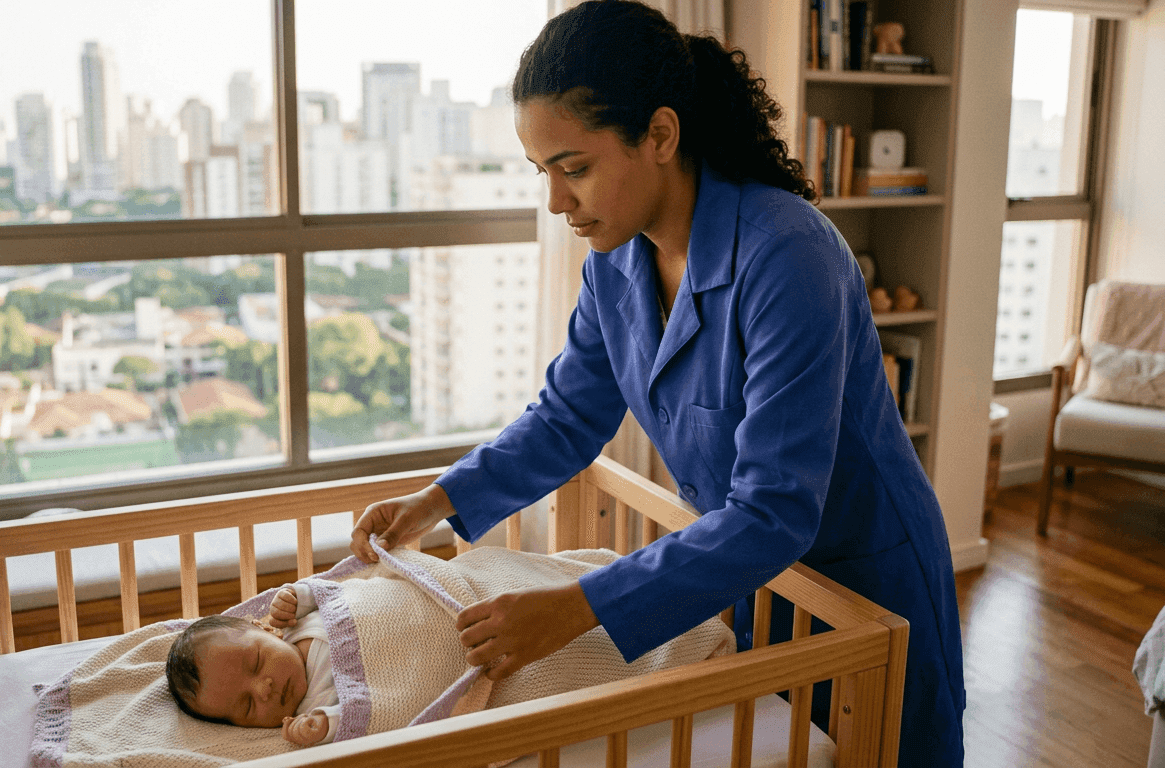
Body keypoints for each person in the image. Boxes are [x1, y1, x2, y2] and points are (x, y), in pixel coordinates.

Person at [347, 1, 965, 764]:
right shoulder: (615, 263)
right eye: (544, 173)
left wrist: (575, 610)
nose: (556, 202)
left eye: (574, 169)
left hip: (862, 579)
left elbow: (775, 509)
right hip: (739, 570)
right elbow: (566, 419)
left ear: (661, 136)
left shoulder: (788, 256)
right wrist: (435, 502)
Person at [165, 583, 339, 747]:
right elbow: (359, 714)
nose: (264, 690)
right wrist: (325, 725)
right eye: (248, 706)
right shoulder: (313, 711)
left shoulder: (296, 621)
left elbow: (331, 592)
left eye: (257, 663)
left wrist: (296, 597)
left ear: (266, 629)